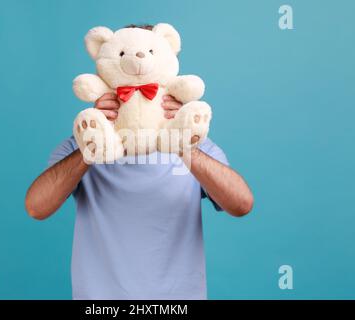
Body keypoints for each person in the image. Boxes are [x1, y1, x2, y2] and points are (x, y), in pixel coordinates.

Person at [25, 90, 253, 299]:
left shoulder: (195, 145)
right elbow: (37, 207)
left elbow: (241, 204)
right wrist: (92, 145)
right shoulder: (80, 145)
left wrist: (183, 143)